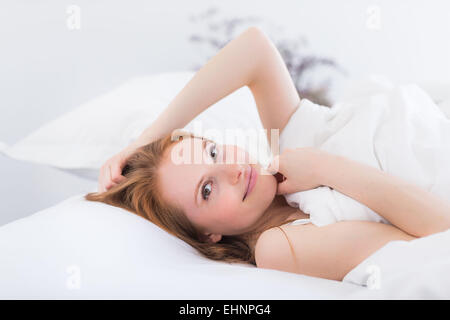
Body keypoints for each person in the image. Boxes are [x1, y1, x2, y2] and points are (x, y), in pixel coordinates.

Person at [85, 27, 450, 281]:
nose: (231, 169)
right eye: (207, 190)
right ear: (207, 235)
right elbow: (439, 237)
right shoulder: (278, 245)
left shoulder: (288, 141)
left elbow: (253, 48)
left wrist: (146, 138)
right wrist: (327, 168)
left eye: (213, 151)